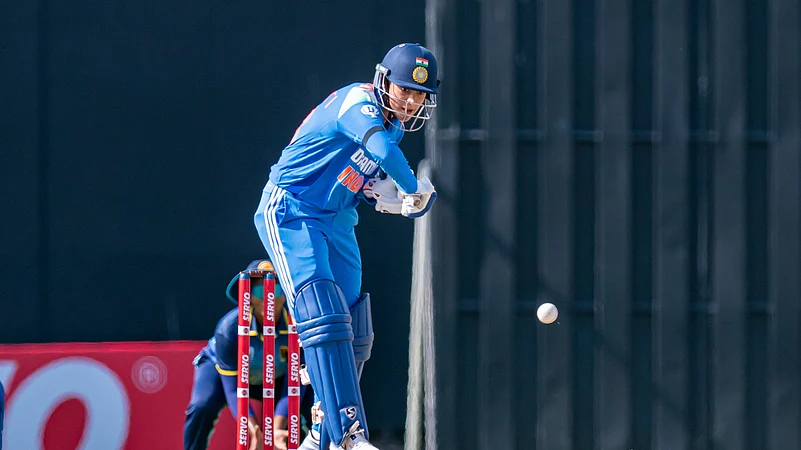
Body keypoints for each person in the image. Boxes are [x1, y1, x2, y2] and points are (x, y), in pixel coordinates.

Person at [253, 43, 439, 450]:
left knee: (356, 326)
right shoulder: (359, 101)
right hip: (292, 209)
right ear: (383, 81)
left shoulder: (391, 126)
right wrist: (411, 188)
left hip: (336, 218)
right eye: (404, 90)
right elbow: (382, 151)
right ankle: (347, 434)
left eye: (419, 95)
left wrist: (385, 194)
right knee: (324, 309)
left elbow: (361, 178)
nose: (409, 102)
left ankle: (321, 429)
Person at [184, 259, 313, 450]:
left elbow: (291, 387)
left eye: (276, 291)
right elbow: (232, 389)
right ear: (249, 297)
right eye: (261, 292)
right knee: (202, 405)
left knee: (309, 403)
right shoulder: (229, 329)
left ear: (285, 295)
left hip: (275, 377)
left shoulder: (297, 328)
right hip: (226, 376)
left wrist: (276, 430)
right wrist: (253, 430)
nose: (270, 299)